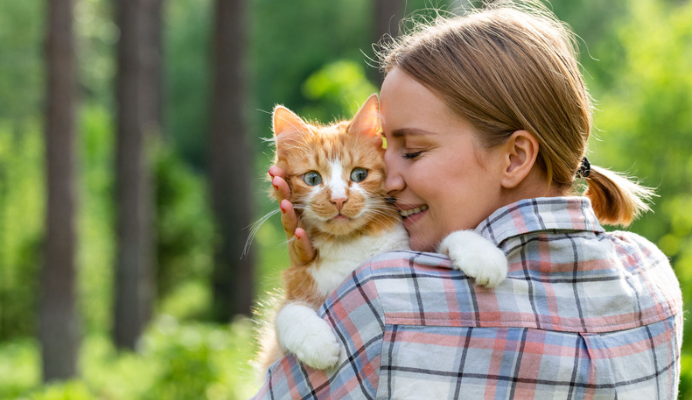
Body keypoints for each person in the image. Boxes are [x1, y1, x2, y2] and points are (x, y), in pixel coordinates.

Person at [252, 3, 683, 399]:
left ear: (514, 158)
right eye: (385, 150)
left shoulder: (386, 296)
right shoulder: (650, 273)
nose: (390, 178)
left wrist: (327, 275)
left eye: (413, 151)